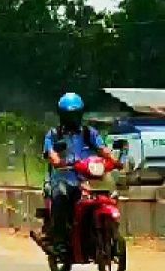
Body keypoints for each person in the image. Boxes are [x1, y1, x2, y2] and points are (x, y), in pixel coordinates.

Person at [43, 92, 117, 258]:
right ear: (62, 115)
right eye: (69, 115)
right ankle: (60, 242)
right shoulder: (54, 134)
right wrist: (57, 160)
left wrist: (114, 159)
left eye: (76, 115)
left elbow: (102, 149)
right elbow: (51, 153)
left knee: (107, 194)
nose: (73, 119)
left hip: (88, 179)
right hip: (63, 178)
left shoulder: (88, 133)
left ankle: (100, 233)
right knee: (62, 197)